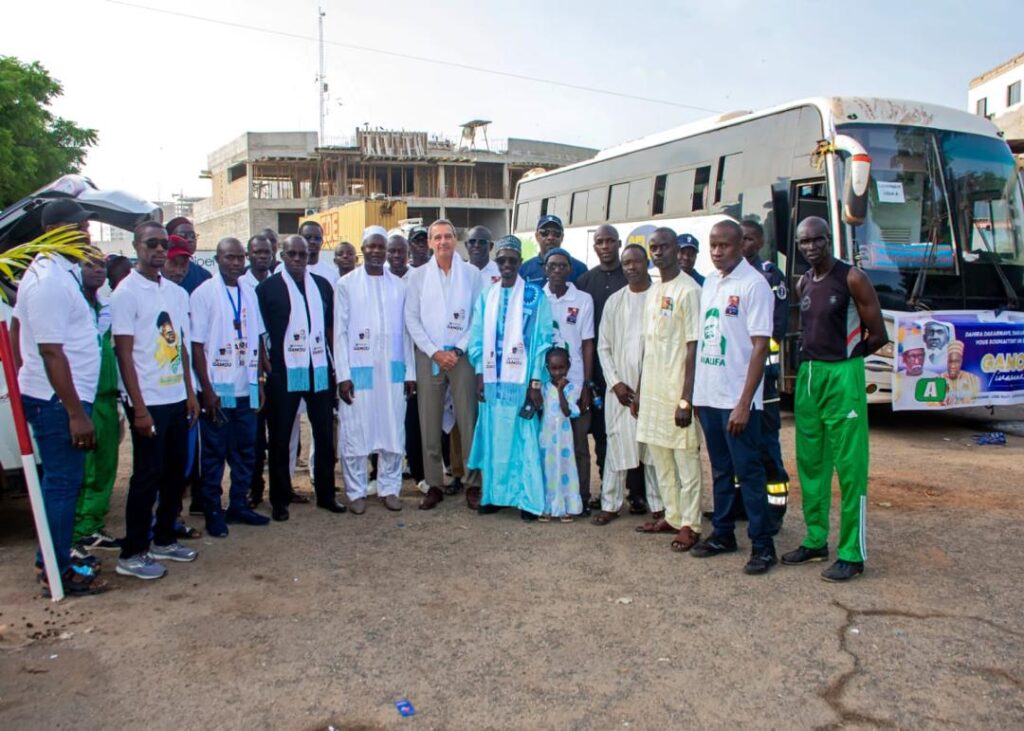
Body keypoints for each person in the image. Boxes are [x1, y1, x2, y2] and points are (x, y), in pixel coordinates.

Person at [782, 216, 886, 582]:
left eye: (817, 240)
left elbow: (879, 334)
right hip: (810, 376)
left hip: (843, 374)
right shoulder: (803, 282)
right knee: (811, 463)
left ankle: (852, 554)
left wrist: (849, 360)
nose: (811, 246)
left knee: (851, 467)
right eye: (804, 241)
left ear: (829, 240)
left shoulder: (852, 278)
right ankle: (815, 540)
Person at [13, 199, 106, 595]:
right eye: (80, 228)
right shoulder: (48, 280)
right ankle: (56, 568)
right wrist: (74, 413)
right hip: (58, 403)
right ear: (56, 231)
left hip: (60, 397)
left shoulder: (58, 272)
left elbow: (18, 329)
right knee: (63, 484)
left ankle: (54, 556)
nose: (87, 234)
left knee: (63, 483)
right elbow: (51, 351)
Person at [111, 221, 201, 580]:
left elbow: (180, 345)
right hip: (147, 399)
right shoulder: (126, 293)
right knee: (147, 475)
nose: (160, 250)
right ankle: (133, 552)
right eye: (152, 244)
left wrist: (190, 393)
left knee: (175, 473)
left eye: (164, 244)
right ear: (136, 246)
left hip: (176, 396)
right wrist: (139, 408)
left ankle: (164, 538)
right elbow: (124, 353)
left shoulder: (176, 293)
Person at [690, 220, 776, 575]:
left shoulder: (755, 285)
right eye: (713, 245)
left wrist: (744, 403)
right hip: (709, 397)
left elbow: (760, 347)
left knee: (749, 473)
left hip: (737, 402)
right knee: (721, 469)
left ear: (741, 246)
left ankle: (763, 545)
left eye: (724, 245)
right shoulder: (711, 282)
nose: (716, 251)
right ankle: (723, 533)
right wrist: (697, 395)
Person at [256, 234, 345, 521]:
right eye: (291, 254)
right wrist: (266, 368)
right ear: (281, 256)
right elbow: (261, 332)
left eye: (302, 254)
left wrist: (335, 366)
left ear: (309, 256)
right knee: (280, 437)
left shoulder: (322, 286)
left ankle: (326, 495)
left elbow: (330, 328)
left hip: (318, 368)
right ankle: (280, 499)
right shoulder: (267, 289)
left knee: (324, 434)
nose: (297, 259)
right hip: (284, 371)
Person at [467, 236, 553, 517]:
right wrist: (480, 374)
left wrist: (535, 383)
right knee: (494, 438)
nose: (506, 265)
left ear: (520, 262)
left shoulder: (535, 296)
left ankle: (527, 499)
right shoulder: (487, 296)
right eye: (502, 260)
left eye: (512, 260)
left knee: (523, 438)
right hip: (493, 382)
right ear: (496, 262)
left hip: (522, 381)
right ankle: (494, 495)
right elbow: (477, 338)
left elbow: (542, 341)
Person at [189, 237, 270, 537]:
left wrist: (260, 382)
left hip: (246, 387)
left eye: (239, 258)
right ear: (218, 259)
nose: (236, 263)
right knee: (213, 454)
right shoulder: (203, 294)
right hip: (218, 390)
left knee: (246, 451)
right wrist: (207, 390)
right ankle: (213, 510)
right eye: (229, 258)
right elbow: (196, 346)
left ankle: (238, 505)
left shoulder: (249, 292)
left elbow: (257, 339)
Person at [335, 227, 416, 513]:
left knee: (392, 430)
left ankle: (389, 488)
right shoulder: (346, 284)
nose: (376, 251)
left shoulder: (399, 286)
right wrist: (343, 375)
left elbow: (406, 333)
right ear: (362, 249)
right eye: (371, 246)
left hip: (393, 370)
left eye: (381, 247)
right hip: (359, 370)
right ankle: (356, 491)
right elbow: (340, 333)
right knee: (356, 430)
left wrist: (410, 373)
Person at [404, 219, 482, 510]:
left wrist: (458, 349)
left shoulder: (471, 274)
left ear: (455, 240)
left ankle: (473, 483)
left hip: (462, 356)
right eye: (437, 237)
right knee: (429, 421)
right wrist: (435, 352)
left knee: (468, 419)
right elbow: (411, 318)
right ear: (429, 243)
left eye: (448, 236)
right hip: (430, 356)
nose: (443, 242)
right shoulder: (417, 276)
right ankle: (434, 483)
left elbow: (478, 315)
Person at [634, 228, 703, 553]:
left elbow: (693, 347)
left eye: (664, 247)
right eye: (654, 247)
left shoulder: (690, 290)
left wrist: (686, 399)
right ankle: (673, 516)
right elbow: (649, 346)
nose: (658, 252)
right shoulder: (654, 290)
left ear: (677, 250)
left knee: (685, 460)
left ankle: (691, 523)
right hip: (652, 391)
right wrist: (639, 390)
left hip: (677, 392)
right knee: (661, 458)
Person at [576, 224, 646, 513]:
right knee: (605, 434)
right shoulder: (584, 281)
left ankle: (638, 493)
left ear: (618, 243)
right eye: (600, 242)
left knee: (639, 432)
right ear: (594, 246)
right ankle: (609, 489)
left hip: (635, 372)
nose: (605, 246)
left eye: (609, 241)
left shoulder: (631, 278)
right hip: (600, 373)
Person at [592, 244, 662, 525]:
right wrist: (616, 383)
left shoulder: (660, 297)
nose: (631, 267)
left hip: (653, 389)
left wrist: (646, 388)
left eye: (636, 262)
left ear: (647, 263)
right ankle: (610, 503)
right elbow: (603, 347)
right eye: (626, 263)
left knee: (654, 450)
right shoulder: (615, 301)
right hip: (620, 391)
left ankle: (659, 506)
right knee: (617, 445)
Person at [739, 219, 790, 530]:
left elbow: (776, 330)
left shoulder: (769, 276)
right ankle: (741, 506)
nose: (742, 244)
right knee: (738, 446)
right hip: (734, 379)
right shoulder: (728, 277)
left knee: (766, 445)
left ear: (759, 242)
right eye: (739, 238)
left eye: (748, 239)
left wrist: (753, 359)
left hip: (764, 380)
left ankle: (774, 511)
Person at [72, 250, 121, 557]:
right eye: (89, 265)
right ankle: (76, 530)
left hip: (107, 396)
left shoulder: (105, 307)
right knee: (82, 469)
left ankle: (92, 525)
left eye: (101, 265)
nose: (98, 270)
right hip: (81, 399)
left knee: (105, 466)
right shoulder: (73, 306)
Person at [543, 247, 596, 514]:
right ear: (545, 269)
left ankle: (581, 497)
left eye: (562, 266)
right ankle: (551, 497)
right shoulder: (539, 298)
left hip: (575, 383)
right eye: (552, 266)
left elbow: (587, 344)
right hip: (546, 385)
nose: (557, 270)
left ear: (570, 269)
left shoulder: (583, 299)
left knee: (578, 444)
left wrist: (586, 384)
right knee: (548, 443)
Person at [385, 233, 425, 486]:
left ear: (408, 252)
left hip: (415, 356)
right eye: (392, 251)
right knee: (385, 417)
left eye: (401, 251)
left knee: (413, 419)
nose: (396, 255)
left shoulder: (418, 278)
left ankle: (419, 473)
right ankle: (380, 472)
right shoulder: (379, 278)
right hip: (386, 359)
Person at [539, 348, 582, 522]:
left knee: (565, 468)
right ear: (547, 368)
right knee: (548, 470)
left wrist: (560, 391)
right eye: (553, 368)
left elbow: (567, 411)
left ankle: (566, 507)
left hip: (563, 439)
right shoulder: (544, 388)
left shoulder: (571, 388)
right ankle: (548, 507)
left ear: (568, 366)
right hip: (547, 437)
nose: (557, 373)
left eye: (561, 368)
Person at [519, 215, 586, 286]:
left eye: (556, 233)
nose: (550, 237)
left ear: (562, 237)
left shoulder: (579, 268)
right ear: (537, 236)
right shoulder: (524, 269)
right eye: (545, 233)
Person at [165, 217, 212, 294]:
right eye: (183, 235)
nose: (190, 240)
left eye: (193, 236)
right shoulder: (153, 274)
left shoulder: (204, 276)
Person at [301, 220, 340, 287]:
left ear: (322, 242)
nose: (312, 241)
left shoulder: (332, 273)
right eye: (307, 237)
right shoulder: (285, 270)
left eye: (317, 238)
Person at [942, 340, 980, 405]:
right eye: (950, 361)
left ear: (961, 362)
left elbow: (975, 401)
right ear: (947, 361)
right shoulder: (939, 379)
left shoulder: (973, 379)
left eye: (956, 362)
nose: (953, 366)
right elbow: (933, 404)